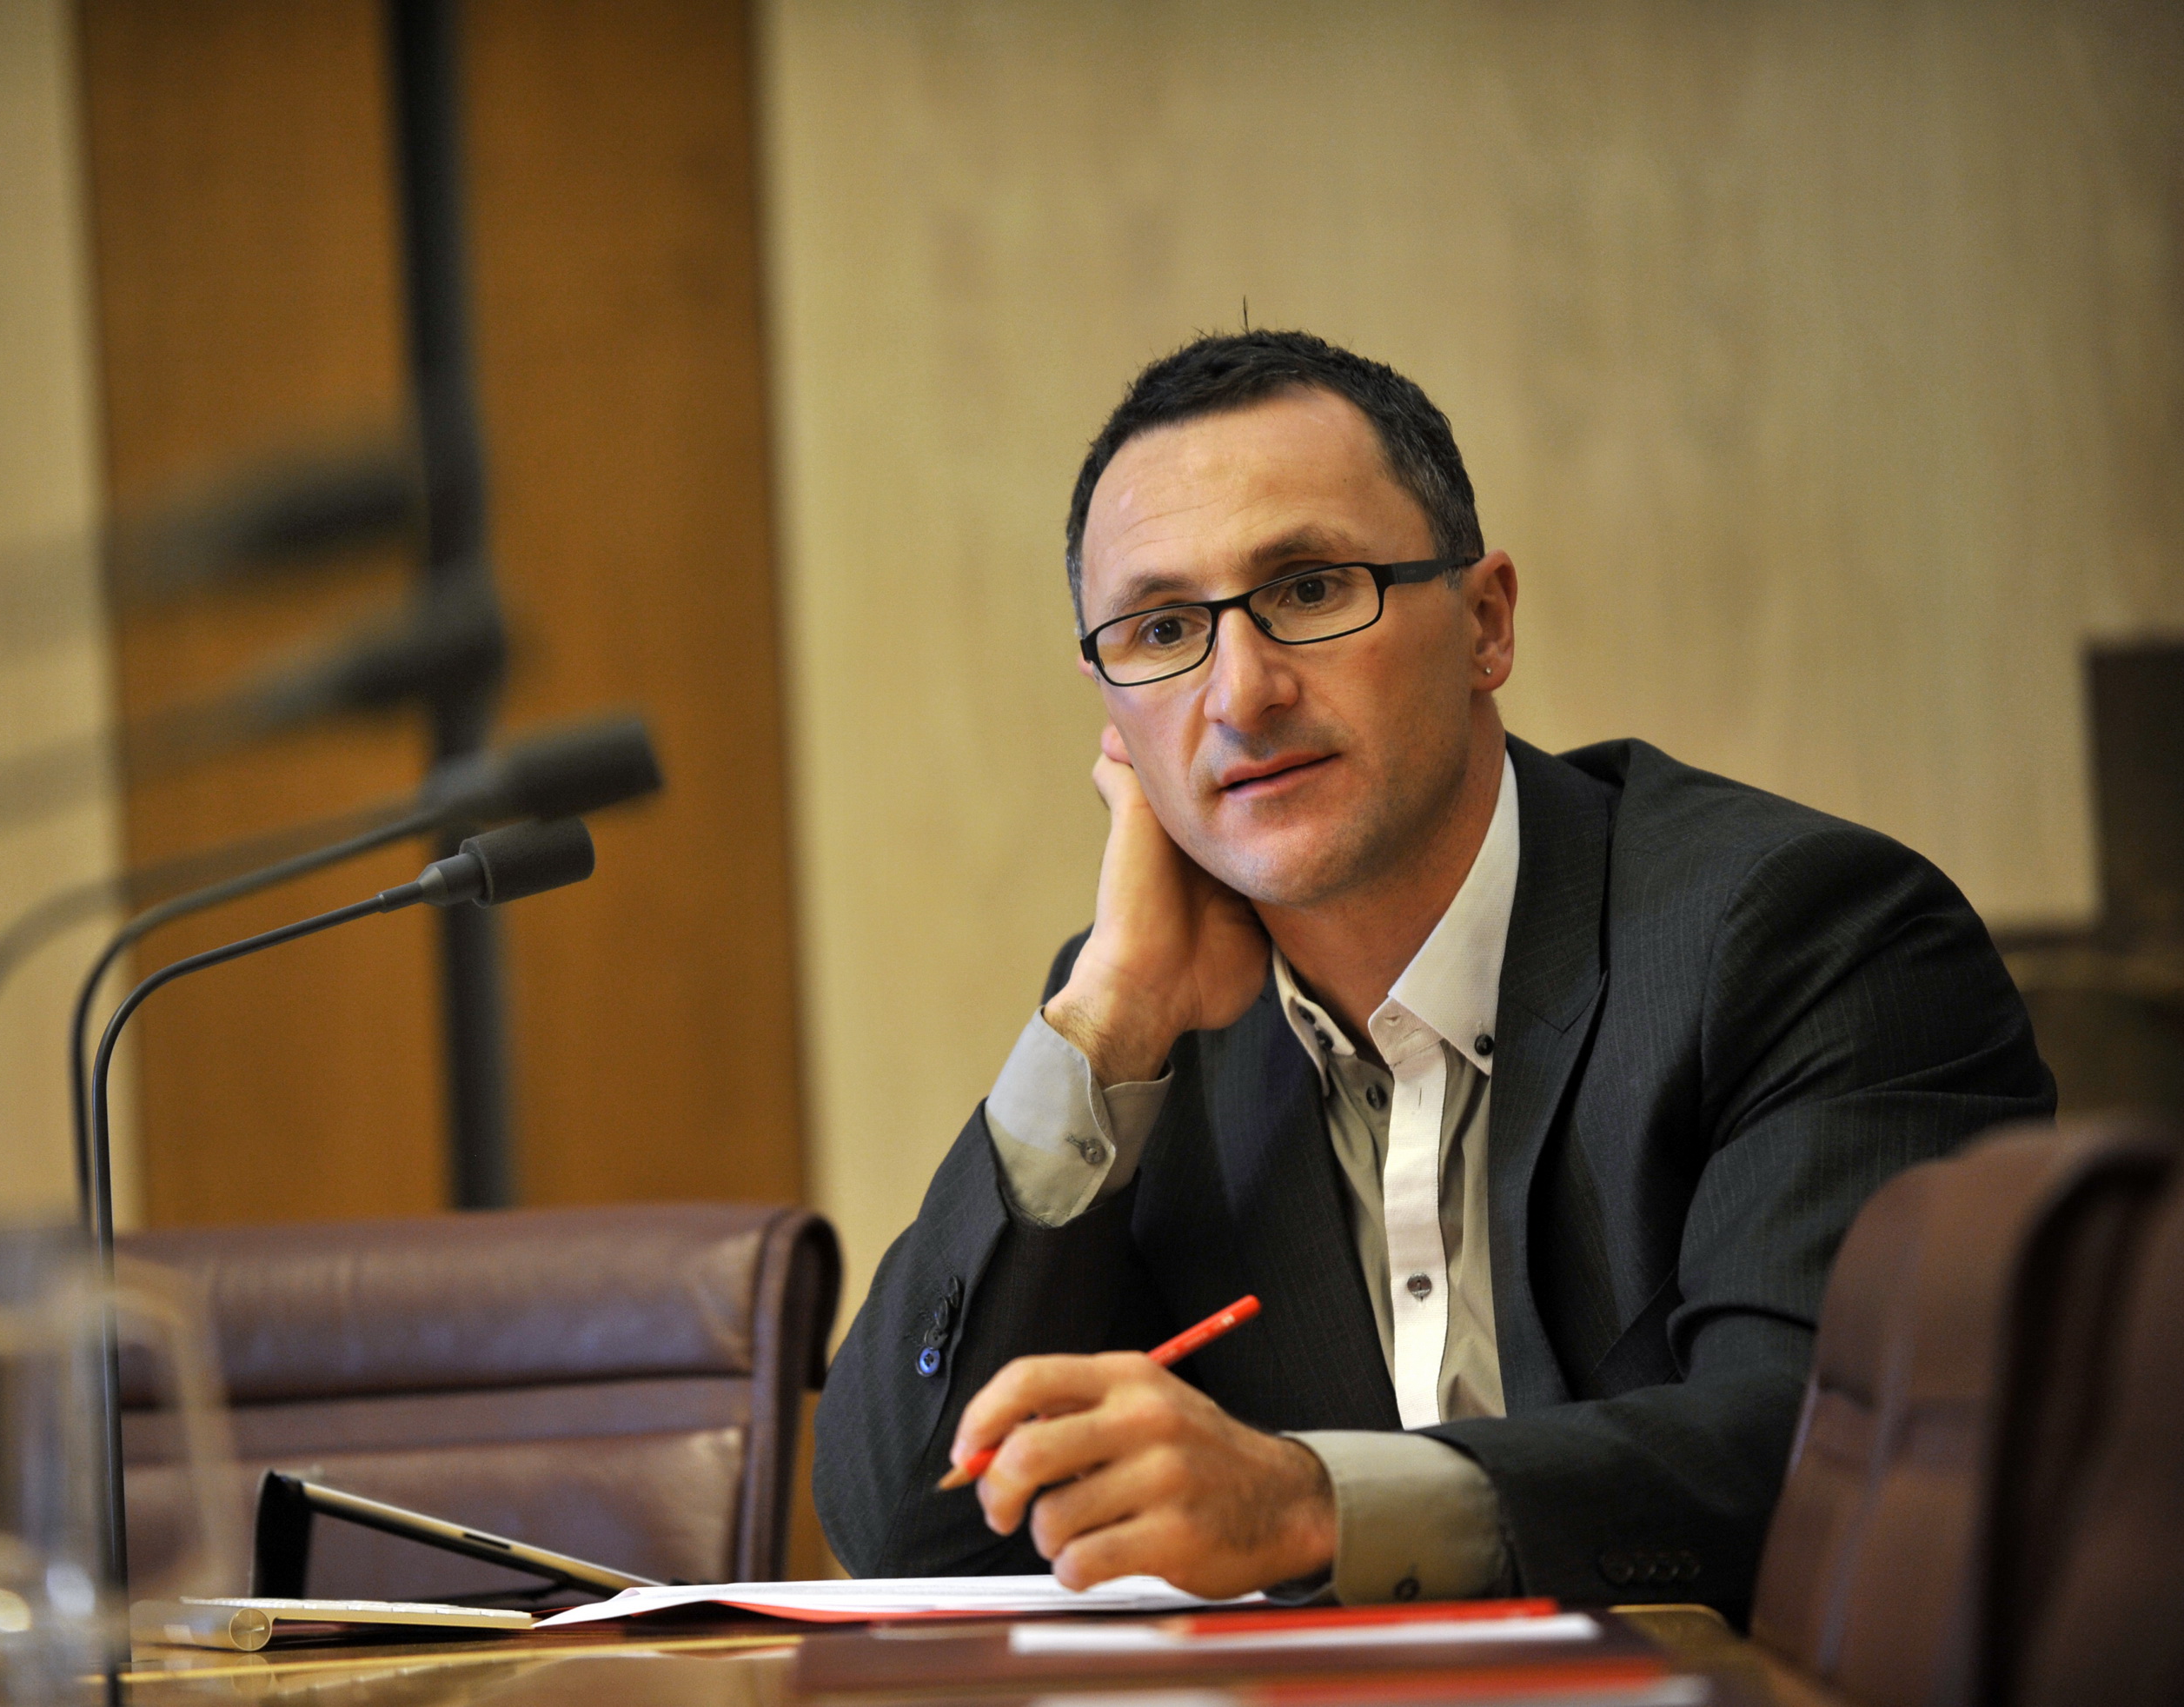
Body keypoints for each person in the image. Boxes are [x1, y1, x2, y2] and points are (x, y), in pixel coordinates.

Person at [812, 330, 2055, 1617]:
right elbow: (903, 1526)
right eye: (1164, 629)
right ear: (1112, 707)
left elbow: (1838, 1455)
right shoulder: (1148, 1022)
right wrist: (1108, 1016)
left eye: (1310, 589)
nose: (1241, 694)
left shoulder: (1805, 933)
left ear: (1485, 623)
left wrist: (1312, 1506)